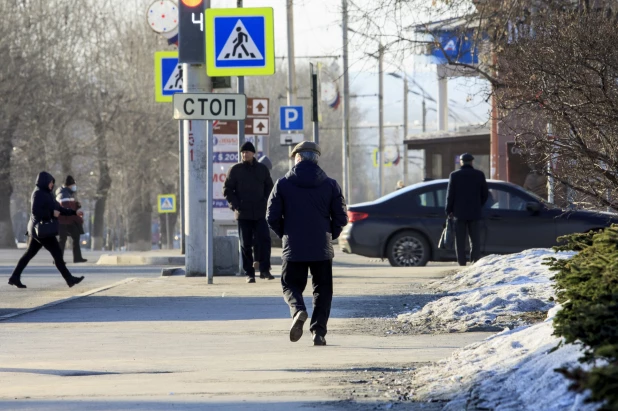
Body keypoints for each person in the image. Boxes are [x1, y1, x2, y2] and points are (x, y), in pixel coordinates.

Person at [266, 141, 348, 346]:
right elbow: (341, 216)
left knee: (290, 284)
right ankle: (318, 332)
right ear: (316, 158)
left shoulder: (283, 183)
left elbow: (271, 216)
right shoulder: (330, 184)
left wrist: (285, 233)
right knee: (323, 289)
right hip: (322, 246)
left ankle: (298, 310)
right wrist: (330, 234)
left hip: (293, 246)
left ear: (298, 158)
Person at [8, 172, 85, 289]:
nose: (52, 185)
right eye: (50, 182)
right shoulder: (38, 194)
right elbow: (35, 212)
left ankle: (14, 277)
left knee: (29, 254)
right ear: (44, 182)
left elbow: (59, 208)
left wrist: (74, 212)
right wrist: (51, 213)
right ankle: (69, 279)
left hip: (40, 230)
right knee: (57, 253)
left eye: (52, 183)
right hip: (41, 229)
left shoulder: (48, 194)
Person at [223, 141, 274, 283]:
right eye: (243, 152)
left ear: (253, 154)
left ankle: (264, 270)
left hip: (260, 213)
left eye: (248, 152)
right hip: (243, 213)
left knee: (264, 240)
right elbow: (227, 190)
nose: (245, 154)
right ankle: (249, 273)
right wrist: (235, 205)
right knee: (245, 244)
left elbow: (270, 188)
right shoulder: (235, 170)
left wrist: (265, 202)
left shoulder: (262, 169)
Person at [445, 153, 489, 266]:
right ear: (472, 162)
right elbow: (485, 194)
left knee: (460, 239)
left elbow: (450, 195)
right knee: (475, 239)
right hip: (475, 212)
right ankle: (474, 260)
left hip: (459, 213)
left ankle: (462, 261)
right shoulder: (479, 175)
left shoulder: (454, 175)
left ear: (461, 162)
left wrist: (448, 210)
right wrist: (479, 204)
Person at [56, 175, 87, 263]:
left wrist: (76, 206)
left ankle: (77, 258)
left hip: (69, 220)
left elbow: (71, 206)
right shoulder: (63, 194)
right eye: (73, 184)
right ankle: (58, 259)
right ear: (69, 185)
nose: (74, 186)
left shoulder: (69, 193)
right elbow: (66, 208)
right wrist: (76, 215)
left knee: (76, 236)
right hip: (63, 221)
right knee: (62, 240)